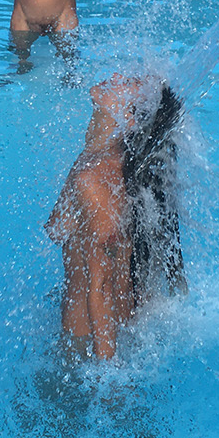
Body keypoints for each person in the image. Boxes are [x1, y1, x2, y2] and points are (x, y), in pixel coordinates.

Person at [45, 76, 186, 359]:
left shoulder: (94, 181)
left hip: (86, 345)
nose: (117, 76)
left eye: (130, 82)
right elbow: (57, 229)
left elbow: (101, 289)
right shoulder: (99, 161)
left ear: (129, 120)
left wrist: (107, 378)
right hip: (113, 330)